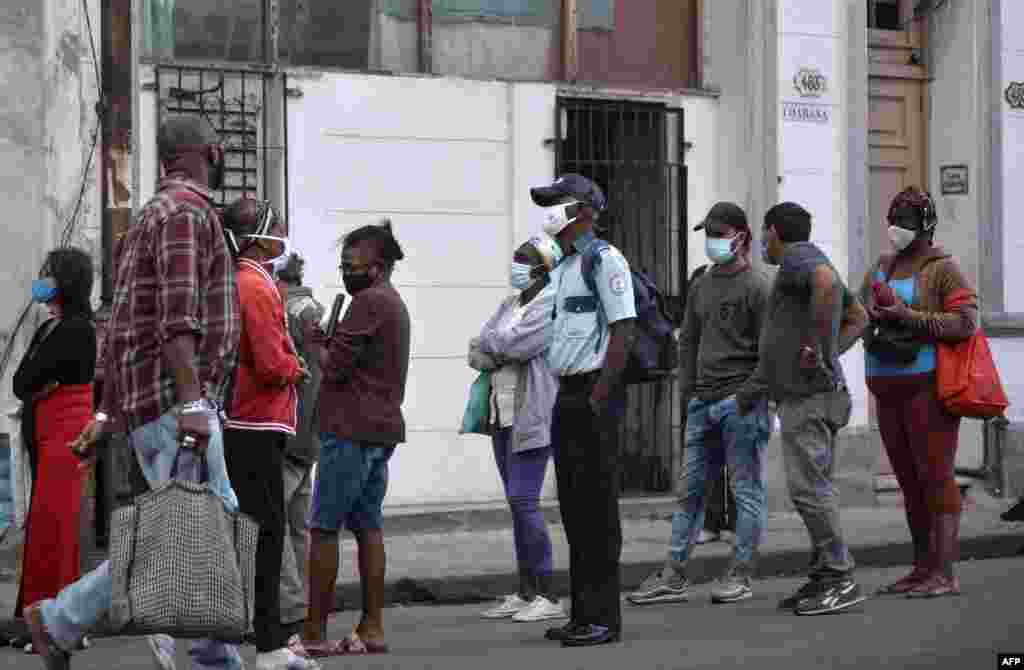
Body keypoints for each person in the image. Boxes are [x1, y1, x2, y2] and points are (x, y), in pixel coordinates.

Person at [24, 114, 247, 670]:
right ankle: (59, 620)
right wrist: (193, 402)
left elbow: (125, 327)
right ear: (203, 153)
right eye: (219, 148)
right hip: (178, 403)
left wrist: (108, 413)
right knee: (201, 523)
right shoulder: (185, 214)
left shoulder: (151, 217)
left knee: (190, 529)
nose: (222, 156)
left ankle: (209, 650)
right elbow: (176, 321)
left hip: (157, 404)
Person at [627, 202, 773, 607]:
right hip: (702, 404)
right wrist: (688, 393)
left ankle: (741, 574)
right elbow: (688, 340)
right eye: (707, 233)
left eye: (718, 233)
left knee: (746, 490)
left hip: (740, 404)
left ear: (741, 237)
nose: (711, 241)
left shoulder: (759, 286)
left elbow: (771, 352)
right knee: (689, 492)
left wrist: (747, 396)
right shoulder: (703, 285)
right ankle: (673, 574)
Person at [735, 202, 869, 616]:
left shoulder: (799, 259)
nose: (762, 242)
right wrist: (824, 354)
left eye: (763, 232)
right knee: (817, 489)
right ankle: (823, 577)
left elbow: (826, 285)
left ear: (774, 232)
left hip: (806, 400)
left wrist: (816, 349)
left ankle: (840, 575)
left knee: (809, 491)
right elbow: (859, 317)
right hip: (814, 395)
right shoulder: (803, 264)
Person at [529, 174, 635, 647]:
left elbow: (624, 330)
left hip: (595, 393)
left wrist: (599, 396)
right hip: (568, 393)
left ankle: (604, 619)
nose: (550, 211)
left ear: (584, 210)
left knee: (597, 510)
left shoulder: (604, 260)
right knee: (574, 508)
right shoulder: (566, 266)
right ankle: (582, 613)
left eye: (558, 203)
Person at [860, 187, 978, 598]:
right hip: (886, 386)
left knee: (935, 477)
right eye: (893, 221)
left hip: (926, 387)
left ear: (926, 226)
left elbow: (966, 322)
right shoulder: (882, 265)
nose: (896, 229)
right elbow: (858, 312)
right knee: (909, 482)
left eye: (906, 222)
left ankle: (944, 572)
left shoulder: (943, 268)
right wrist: (869, 316)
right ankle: (921, 568)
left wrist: (908, 317)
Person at [301, 223, 410, 657]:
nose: (345, 272)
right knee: (367, 526)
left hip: (350, 430)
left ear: (377, 268)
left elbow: (336, 366)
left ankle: (313, 632)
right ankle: (372, 627)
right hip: (378, 430)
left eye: (352, 265)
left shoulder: (369, 302)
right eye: (343, 265)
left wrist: (315, 344)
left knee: (324, 528)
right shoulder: (391, 302)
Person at [219, 198, 318, 670]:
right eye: (275, 227)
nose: (283, 233)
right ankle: (269, 642)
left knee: (263, 529)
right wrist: (293, 369)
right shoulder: (254, 284)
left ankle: (264, 638)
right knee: (267, 533)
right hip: (256, 420)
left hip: (253, 418)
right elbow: (269, 359)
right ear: (259, 236)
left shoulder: (249, 281)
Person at [471, 235, 567, 623]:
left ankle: (547, 592)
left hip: (532, 413)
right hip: (500, 413)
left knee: (525, 501)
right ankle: (526, 591)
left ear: (545, 268)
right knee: (515, 504)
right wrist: (496, 346)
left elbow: (518, 346)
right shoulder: (510, 304)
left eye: (524, 260)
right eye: (515, 258)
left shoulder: (550, 305)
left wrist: (495, 346)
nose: (517, 266)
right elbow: (477, 347)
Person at [12, 249, 97, 634]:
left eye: (48, 273)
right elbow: (22, 383)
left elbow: (30, 378)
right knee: (44, 524)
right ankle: (36, 615)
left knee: (56, 527)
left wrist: (40, 385)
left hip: (64, 436)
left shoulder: (77, 329)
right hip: (44, 434)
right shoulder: (50, 327)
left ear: (65, 282)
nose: (41, 279)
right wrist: (39, 385)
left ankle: (54, 618)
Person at [274, 253, 325, 634]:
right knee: (297, 526)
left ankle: (289, 607)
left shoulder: (288, 314)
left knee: (276, 523)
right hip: (310, 433)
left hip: (290, 432)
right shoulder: (314, 310)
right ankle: (301, 605)